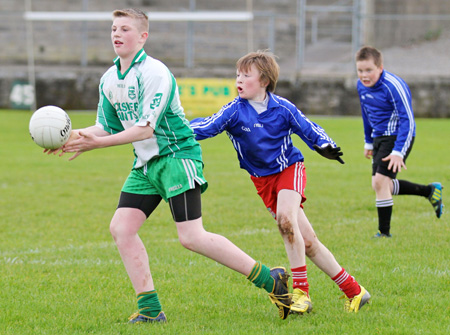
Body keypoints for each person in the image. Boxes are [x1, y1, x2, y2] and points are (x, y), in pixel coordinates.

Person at [50, 9, 293, 323]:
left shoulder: (155, 73)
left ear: (143, 36)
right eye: (113, 28)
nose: (116, 34)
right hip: (146, 163)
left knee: (191, 236)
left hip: (177, 157)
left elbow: (145, 129)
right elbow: (105, 127)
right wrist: (69, 138)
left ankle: (269, 279)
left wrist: (93, 144)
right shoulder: (109, 79)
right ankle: (151, 311)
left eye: (125, 28)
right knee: (121, 229)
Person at [190, 50, 370, 315]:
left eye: (246, 75)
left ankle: (301, 293)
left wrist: (325, 145)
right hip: (262, 182)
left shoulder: (282, 108)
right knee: (307, 242)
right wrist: (173, 130)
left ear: (264, 81)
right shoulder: (233, 111)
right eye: (237, 75)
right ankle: (355, 291)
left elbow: (308, 128)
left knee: (285, 220)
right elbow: (205, 126)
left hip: (289, 169)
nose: (238, 80)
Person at [355, 46, 444, 238]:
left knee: (380, 182)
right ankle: (429, 191)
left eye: (369, 70)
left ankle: (384, 233)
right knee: (381, 185)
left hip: (397, 136)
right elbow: (366, 114)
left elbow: (408, 121)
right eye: (360, 71)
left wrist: (398, 151)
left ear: (380, 67)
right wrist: (368, 141)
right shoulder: (361, 85)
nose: (364, 75)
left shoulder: (393, 85)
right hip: (379, 138)